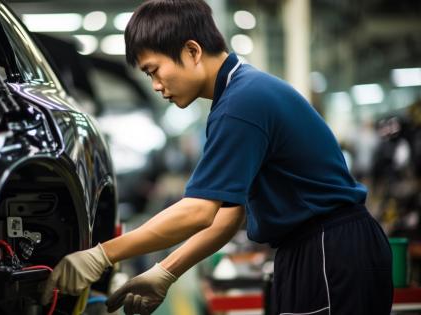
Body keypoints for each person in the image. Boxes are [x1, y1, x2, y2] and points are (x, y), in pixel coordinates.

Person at [40, 0, 393, 314]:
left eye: (154, 70)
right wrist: (165, 272)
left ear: (192, 51)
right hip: (315, 249)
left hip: (329, 251)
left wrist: (102, 254)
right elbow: (227, 215)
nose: (156, 86)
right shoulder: (240, 94)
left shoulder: (241, 103)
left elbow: (198, 211)